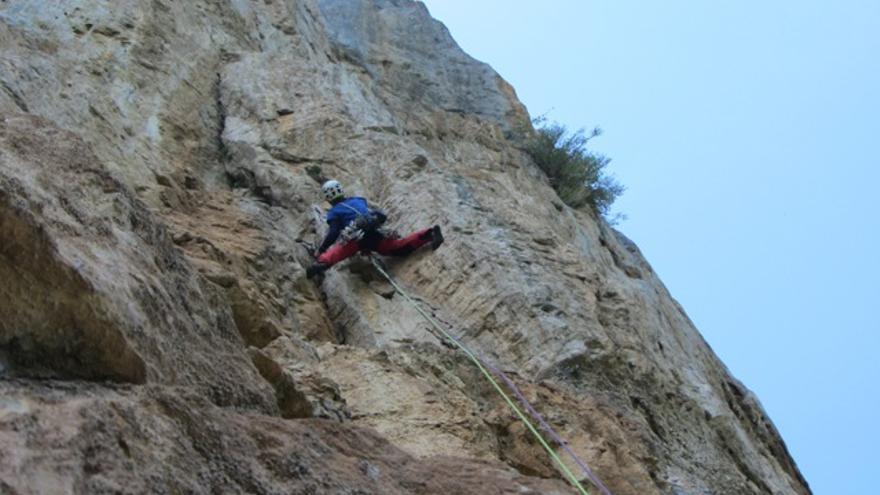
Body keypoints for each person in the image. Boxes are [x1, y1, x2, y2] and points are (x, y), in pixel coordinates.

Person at [306, 180, 443, 278]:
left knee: (340, 251)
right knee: (398, 247)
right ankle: (429, 233)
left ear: (328, 197)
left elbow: (334, 232)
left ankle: (320, 265)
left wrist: (322, 249)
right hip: (375, 231)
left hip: (357, 236)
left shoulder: (334, 212)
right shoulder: (358, 200)